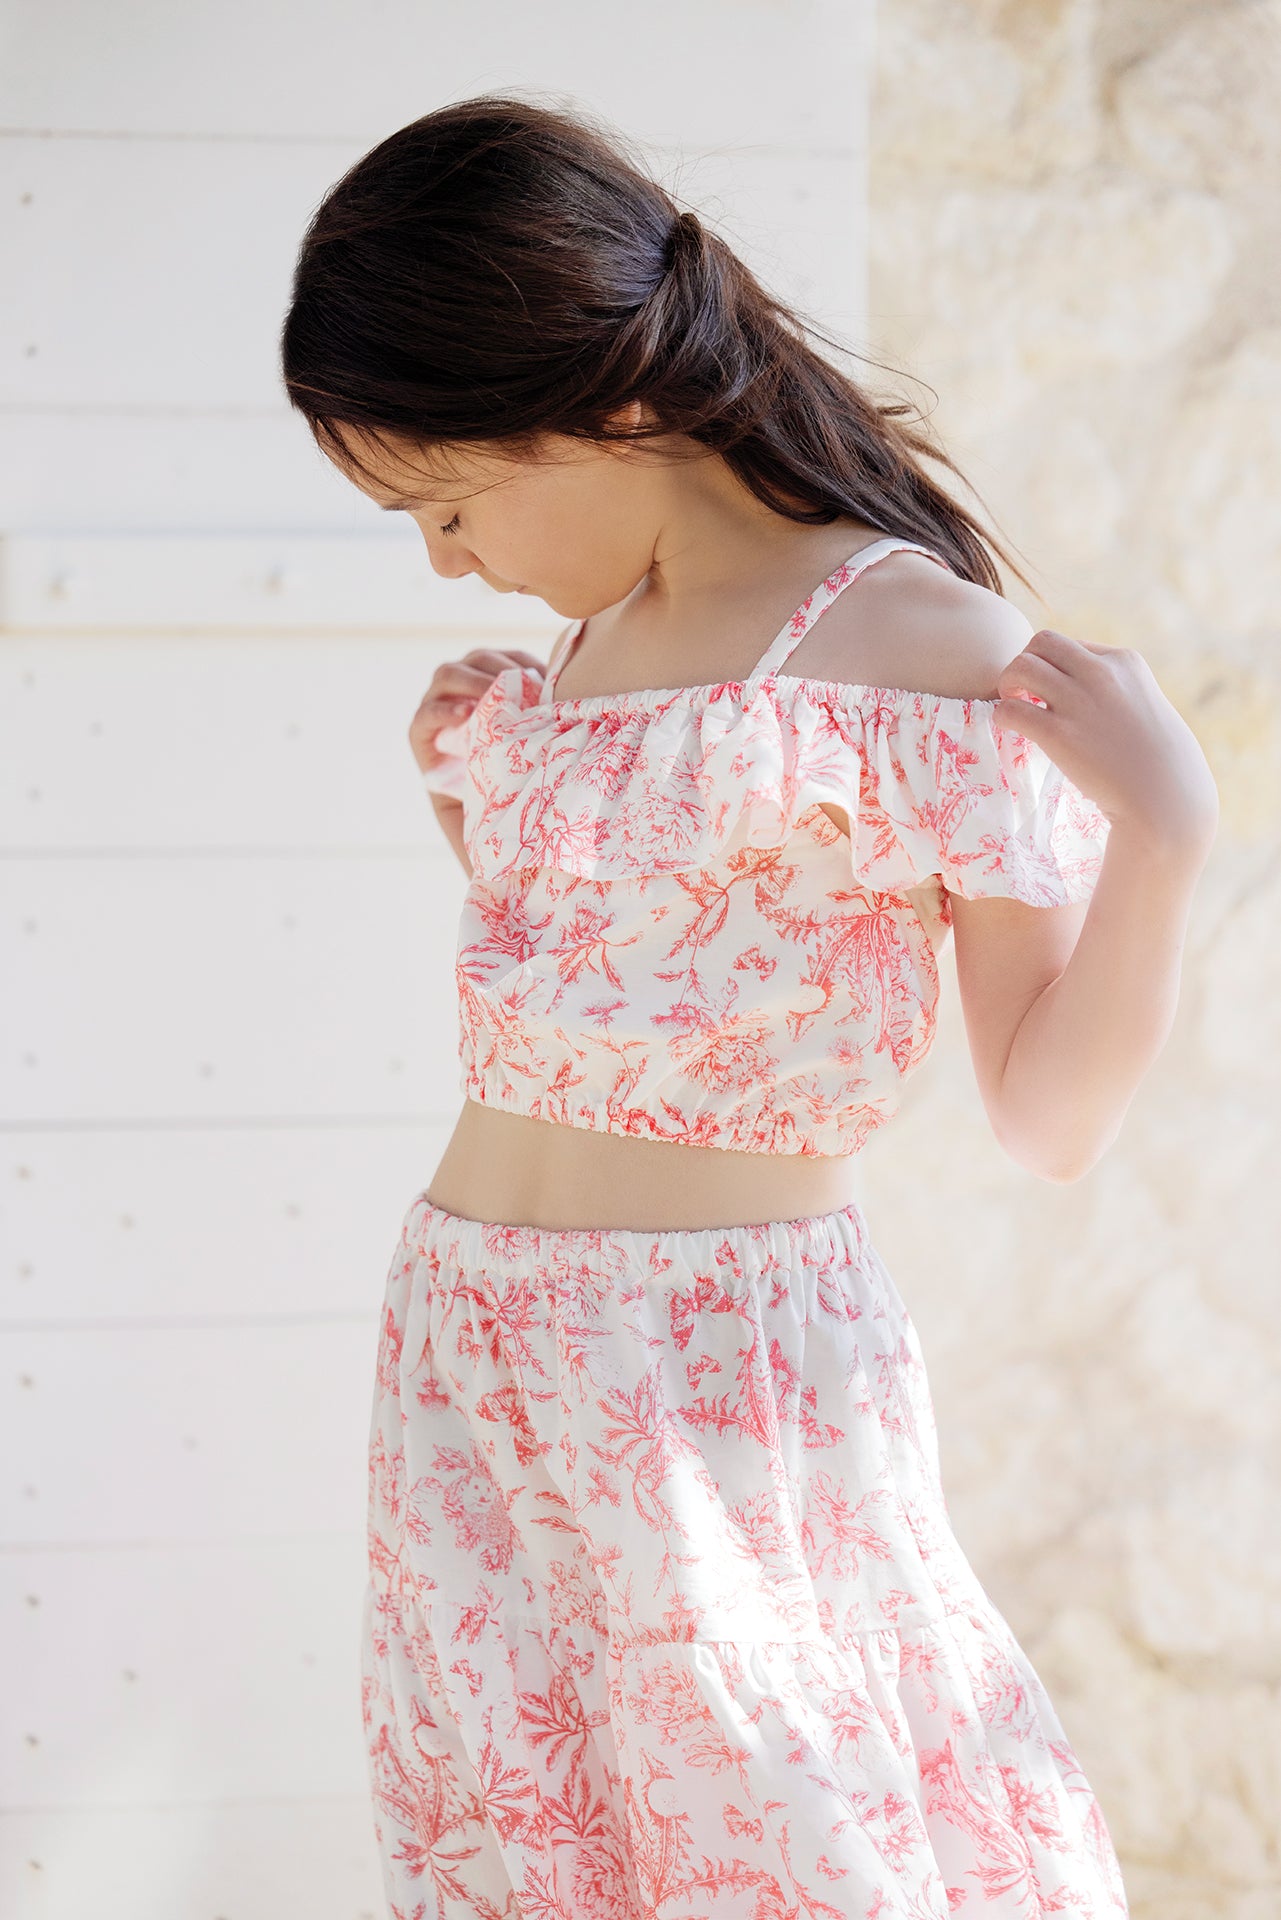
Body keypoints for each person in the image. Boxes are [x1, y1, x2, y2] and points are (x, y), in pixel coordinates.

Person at [281, 93, 1217, 1920]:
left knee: (780, 1836)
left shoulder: (921, 649)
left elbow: (1047, 1115)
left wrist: (1165, 837)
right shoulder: (581, 650)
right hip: (470, 1349)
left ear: (610, 407)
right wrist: (481, 806)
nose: (447, 560)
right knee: (532, 1841)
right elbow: (639, 1003)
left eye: (451, 503)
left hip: (709, 1374)